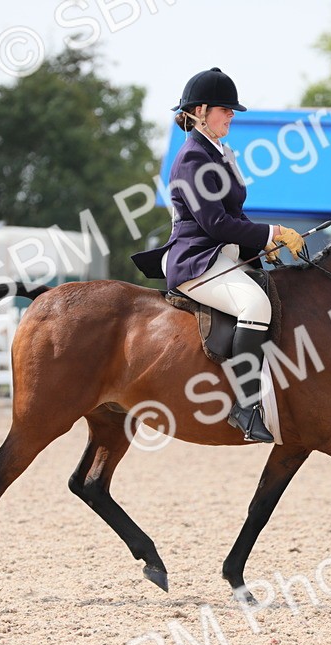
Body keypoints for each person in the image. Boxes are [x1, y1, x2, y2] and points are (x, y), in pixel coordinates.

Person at [132, 67, 306, 443]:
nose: (231, 115)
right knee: (255, 306)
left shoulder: (220, 152)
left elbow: (235, 217)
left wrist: (265, 244)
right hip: (196, 259)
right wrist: (272, 232)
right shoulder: (193, 157)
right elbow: (215, 224)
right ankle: (245, 406)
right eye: (225, 109)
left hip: (220, 255)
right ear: (200, 110)